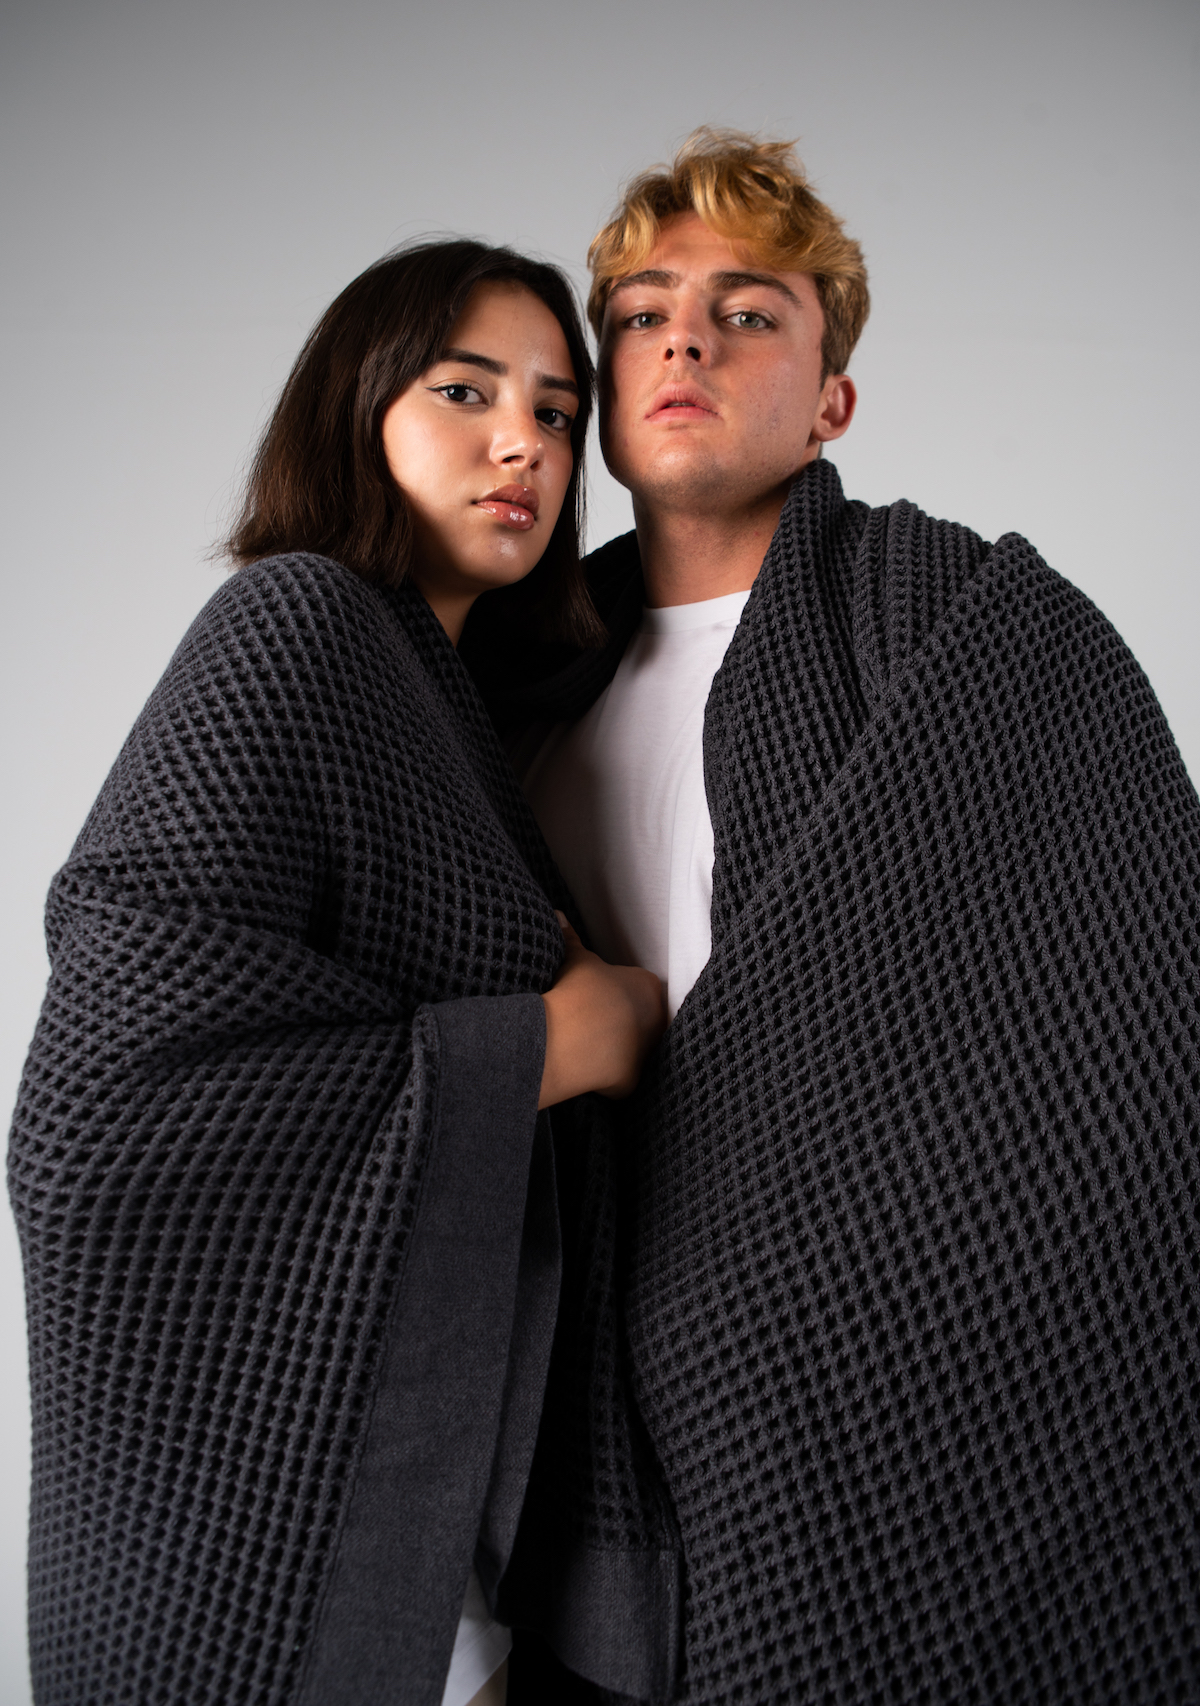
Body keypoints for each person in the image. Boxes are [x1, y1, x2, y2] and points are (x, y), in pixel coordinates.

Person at [480, 131, 1200, 1702]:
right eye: (645, 313)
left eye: (750, 313)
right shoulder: (507, 687)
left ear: (831, 402)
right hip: (586, 1428)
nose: (687, 339)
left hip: (889, 1388)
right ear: (603, 381)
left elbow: (1132, 1018)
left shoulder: (964, 627)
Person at [7, 238, 665, 1706]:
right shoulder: (294, 625)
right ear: (357, 407)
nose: (523, 443)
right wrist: (567, 1040)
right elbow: (101, 1119)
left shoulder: (451, 699)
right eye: (465, 391)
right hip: (274, 1542)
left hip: (435, 1520)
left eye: (558, 412)